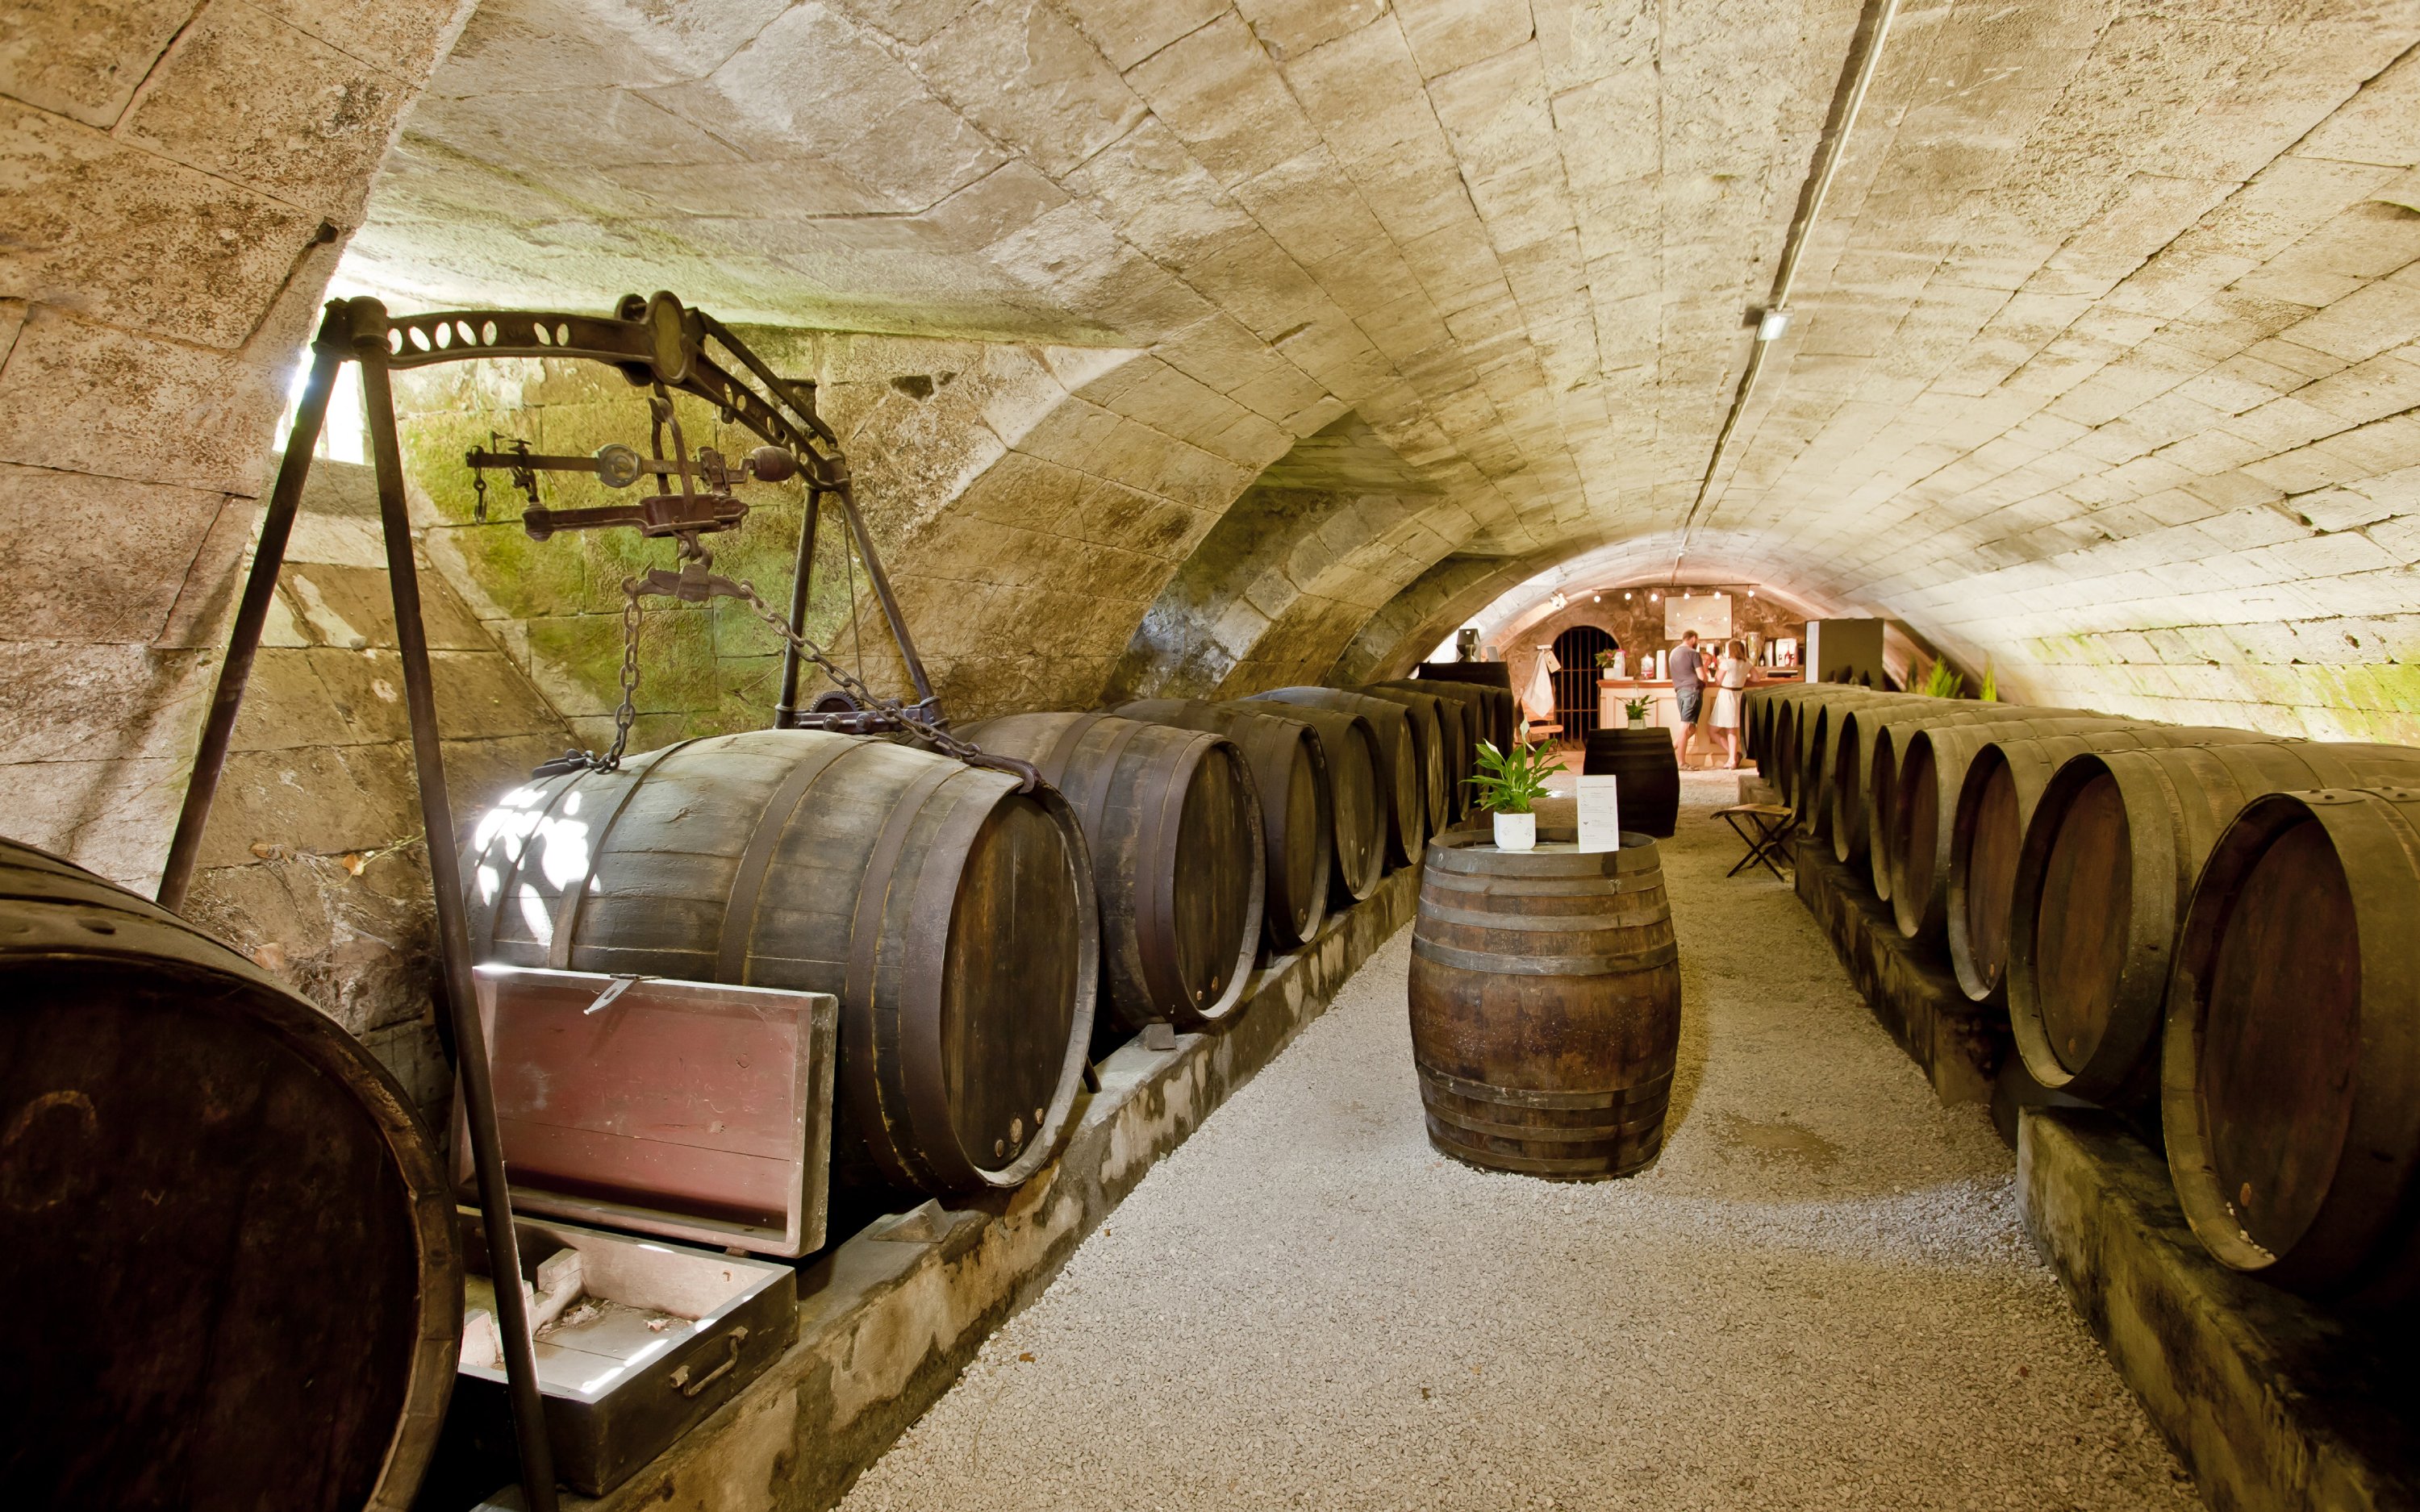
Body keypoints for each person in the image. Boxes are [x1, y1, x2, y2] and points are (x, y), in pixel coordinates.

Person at [1711, 638, 1750, 769]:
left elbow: (1717, 681)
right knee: (1731, 729)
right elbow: (1757, 678)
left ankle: (1732, 760)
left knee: (1727, 730)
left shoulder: (1726, 663)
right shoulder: (1746, 664)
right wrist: (1742, 678)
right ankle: (1734, 756)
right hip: (1739, 695)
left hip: (1726, 695)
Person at [1669, 630, 1704, 765]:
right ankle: (1681, 762)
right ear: (1694, 638)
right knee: (1686, 727)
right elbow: (1702, 676)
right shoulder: (1693, 653)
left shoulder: (1673, 653)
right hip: (1692, 692)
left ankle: (1668, 750)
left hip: (1680, 692)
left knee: (1691, 729)